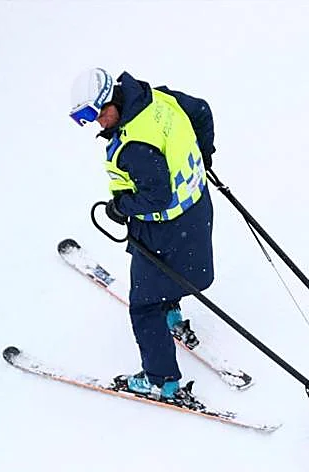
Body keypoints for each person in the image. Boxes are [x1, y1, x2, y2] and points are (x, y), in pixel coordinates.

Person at [69, 68, 216, 401]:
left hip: (163, 228)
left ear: (113, 98)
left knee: (143, 306)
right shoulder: (159, 98)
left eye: (97, 114)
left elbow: (157, 195)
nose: (99, 124)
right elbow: (201, 110)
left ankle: (161, 381)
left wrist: (120, 208)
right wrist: (203, 156)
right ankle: (172, 312)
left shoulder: (135, 145)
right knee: (175, 271)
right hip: (197, 209)